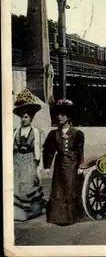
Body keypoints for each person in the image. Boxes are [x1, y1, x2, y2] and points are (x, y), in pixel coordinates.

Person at [43, 99, 86, 226]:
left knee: (71, 189)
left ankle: (71, 217)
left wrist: (81, 166)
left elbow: (80, 151)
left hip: (72, 165)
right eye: (58, 114)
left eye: (62, 115)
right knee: (58, 190)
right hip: (59, 164)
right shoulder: (53, 134)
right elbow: (49, 151)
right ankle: (58, 217)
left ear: (69, 116)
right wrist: (47, 166)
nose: (59, 117)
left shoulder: (77, 133)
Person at [12, 89, 46, 222]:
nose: (23, 119)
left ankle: (33, 211)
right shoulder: (16, 131)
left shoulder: (35, 131)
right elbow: (12, 145)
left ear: (31, 118)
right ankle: (20, 212)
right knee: (18, 186)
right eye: (22, 117)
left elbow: (37, 148)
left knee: (29, 185)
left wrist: (38, 163)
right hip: (18, 160)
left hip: (30, 160)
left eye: (26, 117)